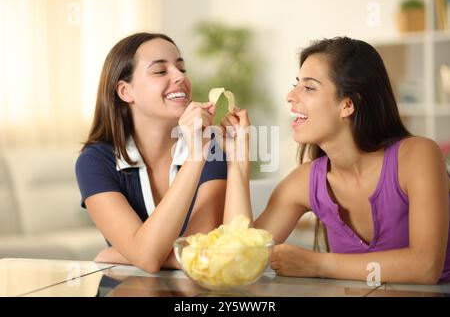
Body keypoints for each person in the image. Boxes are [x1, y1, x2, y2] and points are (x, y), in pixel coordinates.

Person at [220, 37, 450, 284]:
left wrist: (318, 264)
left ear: (347, 104)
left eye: (309, 88)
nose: (290, 95)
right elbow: (237, 260)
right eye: (296, 84)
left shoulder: (417, 156)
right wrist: (237, 162)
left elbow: (425, 267)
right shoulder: (304, 182)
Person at [75, 32, 227, 273]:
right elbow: (150, 258)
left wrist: (121, 254)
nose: (179, 77)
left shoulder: (211, 147)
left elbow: (200, 255)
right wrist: (143, 255)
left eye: (182, 69)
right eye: (160, 71)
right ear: (125, 92)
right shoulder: (94, 162)